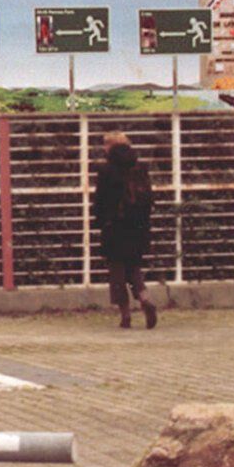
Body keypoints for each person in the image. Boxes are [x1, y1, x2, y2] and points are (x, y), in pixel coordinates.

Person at [94, 131, 157, 330]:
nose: (103, 148)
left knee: (117, 271)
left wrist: (101, 222)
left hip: (114, 227)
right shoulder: (140, 167)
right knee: (134, 268)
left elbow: (100, 202)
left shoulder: (106, 170)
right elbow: (149, 199)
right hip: (138, 226)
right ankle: (145, 299)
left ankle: (125, 315)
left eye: (105, 144)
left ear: (111, 146)